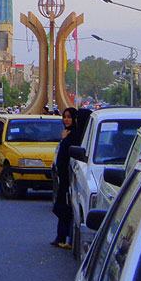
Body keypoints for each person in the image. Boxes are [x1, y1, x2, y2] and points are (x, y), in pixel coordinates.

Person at [51, 107, 78, 249]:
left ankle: (66, 238)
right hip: (63, 178)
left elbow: (65, 156)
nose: (66, 120)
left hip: (69, 178)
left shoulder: (74, 136)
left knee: (64, 208)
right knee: (61, 207)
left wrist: (65, 140)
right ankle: (61, 237)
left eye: (69, 117)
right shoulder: (68, 134)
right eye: (64, 116)